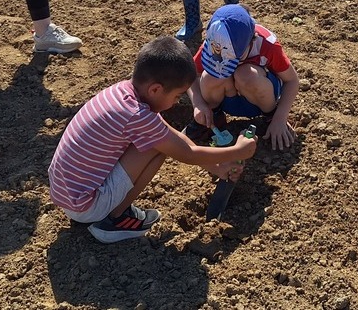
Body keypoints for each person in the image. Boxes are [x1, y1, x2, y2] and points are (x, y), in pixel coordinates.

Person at [48, 36, 257, 243]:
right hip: (85, 206)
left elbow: (176, 138)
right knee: (155, 147)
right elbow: (186, 153)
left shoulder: (125, 94)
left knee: (159, 141)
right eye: (177, 96)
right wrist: (239, 151)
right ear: (155, 89)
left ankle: (112, 209)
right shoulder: (137, 115)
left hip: (66, 194)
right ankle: (114, 220)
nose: (176, 103)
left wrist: (218, 168)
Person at [188, 4, 298, 150]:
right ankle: (213, 117)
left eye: (234, 59)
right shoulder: (215, 43)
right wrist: (198, 104)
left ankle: (269, 116)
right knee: (210, 76)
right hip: (225, 98)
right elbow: (192, 76)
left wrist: (280, 117)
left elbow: (292, 80)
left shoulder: (267, 45)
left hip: (259, 98)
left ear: (251, 40)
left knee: (245, 74)